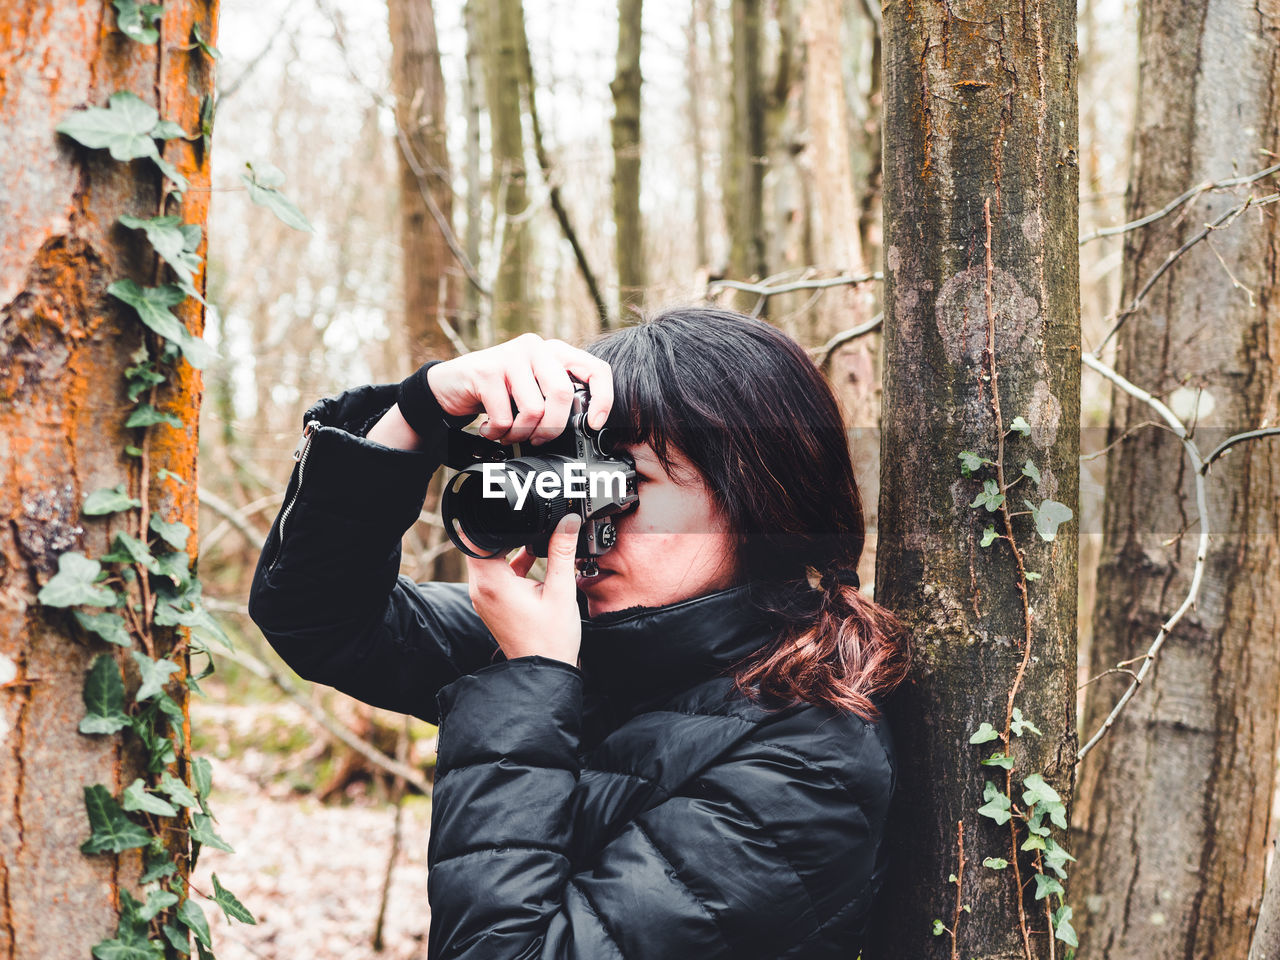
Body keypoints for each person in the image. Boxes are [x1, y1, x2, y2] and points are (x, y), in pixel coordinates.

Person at [247, 306, 911, 959]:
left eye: (621, 482)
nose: (587, 514)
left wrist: (532, 679)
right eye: (573, 479)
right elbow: (315, 614)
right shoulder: (590, 644)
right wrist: (418, 411)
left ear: (760, 501)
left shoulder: (814, 755)